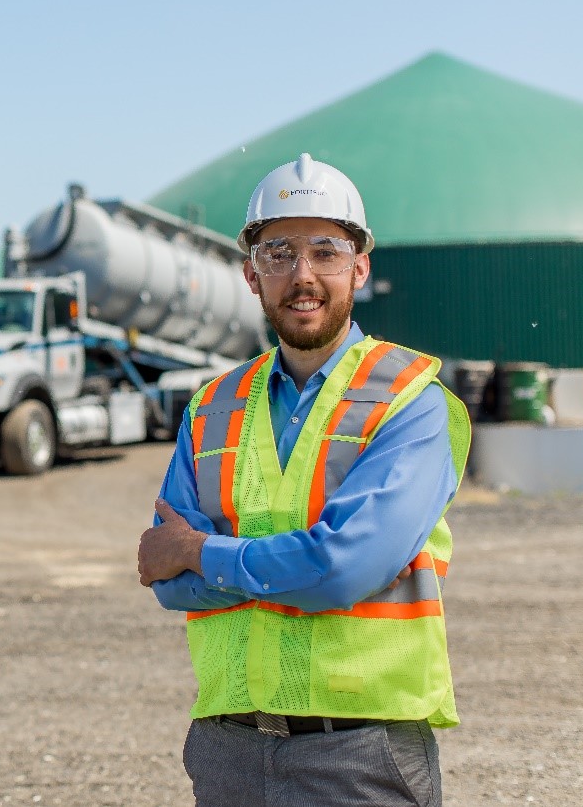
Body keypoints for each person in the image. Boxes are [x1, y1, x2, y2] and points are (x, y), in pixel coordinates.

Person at [136, 153, 470, 807]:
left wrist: (204, 554)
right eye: (278, 253)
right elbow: (170, 589)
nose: (302, 275)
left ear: (360, 267)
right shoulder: (212, 405)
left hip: (360, 753)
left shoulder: (410, 400)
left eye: (325, 251)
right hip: (227, 749)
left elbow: (348, 567)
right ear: (249, 274)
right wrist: (291, 567)